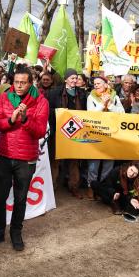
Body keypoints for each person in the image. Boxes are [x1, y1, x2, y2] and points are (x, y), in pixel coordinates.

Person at [0, 67, 49, 251]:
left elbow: (40, 131)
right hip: (4, 154)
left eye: (23, 83)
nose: (19, 86)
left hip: (26, 157)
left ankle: (16, 232)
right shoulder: (4, 98)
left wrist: (25, 118)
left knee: (20, 199)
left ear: (30, 83)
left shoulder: (41, 101)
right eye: (16, 82)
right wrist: (11, 120)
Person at [47, 68, 87, 198]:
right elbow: (48, 110)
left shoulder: (81, 94)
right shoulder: (54, 93)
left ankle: (74, 186)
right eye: (72, 78)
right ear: (65, 79)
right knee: (55, 160)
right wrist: (59, 112)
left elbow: (86, 112)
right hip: (58, 131)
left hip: (76, 132)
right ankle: (51, 187)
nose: (74, 80)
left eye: (76, 78)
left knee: (74, 161)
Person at [86, 76, 124, 199]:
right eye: (95, 83)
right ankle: (91, 186)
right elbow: (91, 114)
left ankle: (103, 188)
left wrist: (111, 105)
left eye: (99, 83)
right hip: (96, 133)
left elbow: (122, 113)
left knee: (108, 162)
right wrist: (103, 104)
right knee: (94, 163)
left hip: (111, 134)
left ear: (106, 85)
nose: (96, 85)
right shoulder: (91, 97)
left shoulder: (115, 97)